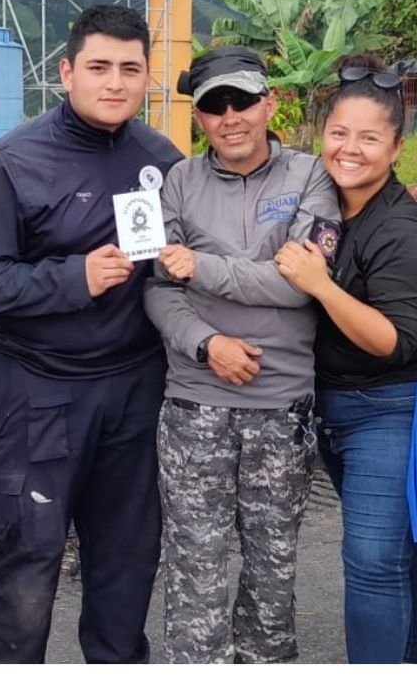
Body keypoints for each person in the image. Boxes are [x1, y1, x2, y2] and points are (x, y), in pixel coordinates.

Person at [0, 4, 183, 663]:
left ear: (147, 77)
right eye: (99, 67)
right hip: (36, 388)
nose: (114, 82)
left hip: (135, 388)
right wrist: (72, 277)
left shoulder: (162, 159)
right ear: (66, 72)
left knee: (127, 557)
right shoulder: (13, 160)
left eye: (130, 69)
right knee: (27, 557)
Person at [142, 45, 338, 663]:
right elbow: (157, 288)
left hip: (281, 407)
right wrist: (208, 344)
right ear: (198, 118)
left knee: (272, 571)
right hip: (195, 403)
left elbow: (300, 282)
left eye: (243, 100)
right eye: (213, 105)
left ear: (269, 102)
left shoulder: (311, 176)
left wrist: (201, 266)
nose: (231, 117)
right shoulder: (177, 181)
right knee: (194, 565)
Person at [272, 54, 417, 663]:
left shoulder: (402, 230)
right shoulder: (322, 203)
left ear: (396, 148)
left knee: (373, 558)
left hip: (399, 400)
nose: (350, 149)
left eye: (369, 138)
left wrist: (322, 285)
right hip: (337, 401)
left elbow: (395, 340)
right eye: (339, 133)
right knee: (395, 549)